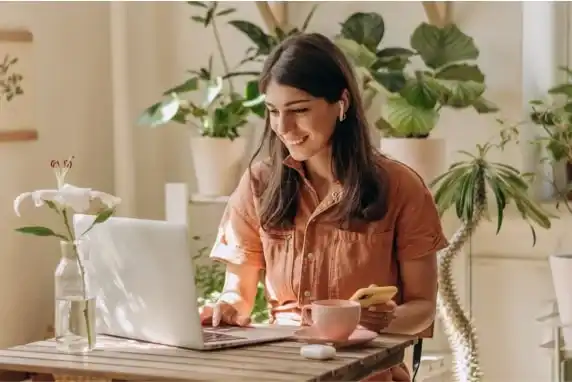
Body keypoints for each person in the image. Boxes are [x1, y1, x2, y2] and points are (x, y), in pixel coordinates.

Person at [199, 32, 449, 382]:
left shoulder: (400, 186)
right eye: (273, 111)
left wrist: (382, 320)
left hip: (366, 372)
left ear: (341, 103)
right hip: (280, 370)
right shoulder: (260, 183)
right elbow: (238, 294)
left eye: (299, 110)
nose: (283, 128)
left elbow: (423, 307)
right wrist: (226, 308)